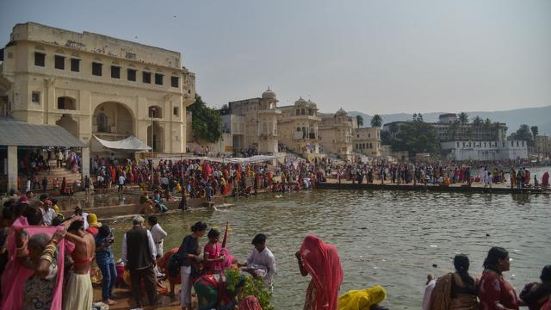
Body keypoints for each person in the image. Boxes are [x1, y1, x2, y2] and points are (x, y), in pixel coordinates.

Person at [296, 235, 343, 310]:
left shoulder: (311, 255)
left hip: (318, 286)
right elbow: (338, 270)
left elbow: (304, 273)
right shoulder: (331, 249)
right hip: (333, 284)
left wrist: (299, 259)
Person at [121, 215, 158, 308]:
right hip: (146, 263)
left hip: (133, 265)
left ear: (133, 224)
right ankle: (153, 303)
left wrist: (125, 264)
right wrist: (154, 259)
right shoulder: (147, 232)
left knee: (135, 286)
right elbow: (152, 247)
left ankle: (139, 304)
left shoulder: (127, 234)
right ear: (141, 223)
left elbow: (124, 252)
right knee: (151, 284)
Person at [22, 231, 64, 310]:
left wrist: (53, 242)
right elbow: (21, 259)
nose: (28, 253)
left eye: (30, 250)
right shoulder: (35, 263)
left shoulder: (52, 266)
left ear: (38, 250)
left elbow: (41, 269)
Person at [63, 218, 96, 310]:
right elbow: (94, 256)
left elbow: (60, 229)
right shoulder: (90, 237)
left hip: (77, 279)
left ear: (73, 231)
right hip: (86, 277)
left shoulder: (79, 241)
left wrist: (72, 219)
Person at [177, 221, 207, 310]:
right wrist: (194, 256)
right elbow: (182, 253)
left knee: (190, 287)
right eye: (203, 231)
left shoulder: (196, 239)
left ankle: (189, 305)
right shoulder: (188, 238)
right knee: (185, 287)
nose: (203, 233)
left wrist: (198, 251)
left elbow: (195, 252)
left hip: (193, 265)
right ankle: (183, 306)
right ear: (197, 230)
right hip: (185, 265)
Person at [95, 225, 117, 305]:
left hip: (110, 256)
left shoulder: (108, 231)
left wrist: (112, 239)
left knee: (114, 275)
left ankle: (109, 293)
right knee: (107, 277)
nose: (108, 235)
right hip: (102, 258)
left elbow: (112, 237)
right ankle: (105, 298)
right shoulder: (96, 238)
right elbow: (94, 249)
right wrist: (103, 246)